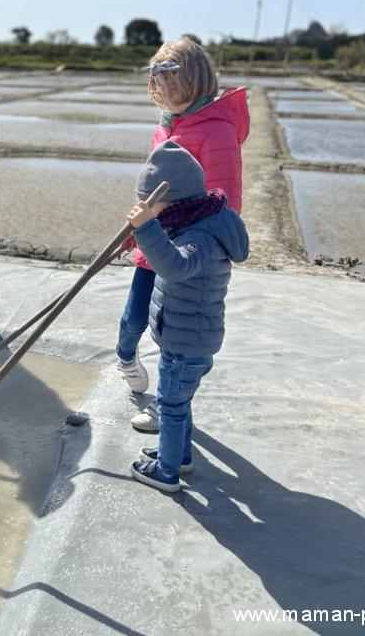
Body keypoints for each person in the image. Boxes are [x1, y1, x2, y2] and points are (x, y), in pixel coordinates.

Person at [113, 37, 249, 433]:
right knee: (132, 319)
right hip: (153, 241)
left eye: (172, 78)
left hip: (187, 252)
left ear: (195, 79)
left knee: (174, 340)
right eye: (158, 79)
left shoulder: (217, 131)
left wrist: (191, 247)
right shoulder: (166, 127)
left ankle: (164, 408)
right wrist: (135, 230)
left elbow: (225, 201)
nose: (164, 87)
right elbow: (151, 188)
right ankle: (126, 358)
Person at [126, 141, 249, 492]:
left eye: (153, 204)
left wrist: (147, 229)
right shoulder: (195, 220)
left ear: (172, 199)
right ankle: (178, 455)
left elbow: (176, 267)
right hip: (185, 335)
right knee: (179, 401)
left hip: (187, 341)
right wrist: (148, 229)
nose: (151, 211)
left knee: (171, 405)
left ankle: (166, 472)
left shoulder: (200, 235)